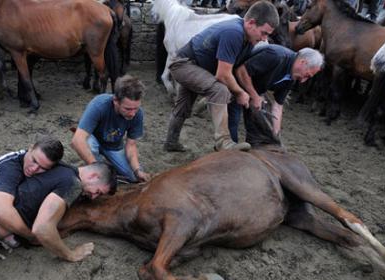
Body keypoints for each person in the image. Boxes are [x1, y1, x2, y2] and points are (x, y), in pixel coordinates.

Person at [163, 0, 279, 152]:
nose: (265, 39)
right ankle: (223, 142)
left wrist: (250, 93)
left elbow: (236, 69)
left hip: (195, 66)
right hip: (184, 64)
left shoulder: (248, 38)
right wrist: (240, 92)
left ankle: (171, 142)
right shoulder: (234, 33)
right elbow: (223, 74)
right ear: (251, 23)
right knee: (219, 90)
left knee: (183, 106)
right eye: (264, 33)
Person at [229, 45, 324, 140]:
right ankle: (230, 148)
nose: (303, 81)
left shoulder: (291, 77)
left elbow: (278, 106)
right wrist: (254, 96)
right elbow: (241, 71)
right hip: (231, 81)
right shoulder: (276, 56)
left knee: (256, 125)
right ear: (303, 62)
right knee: (233, 119)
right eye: (306, 75)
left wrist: (276, 135)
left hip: (253, 89)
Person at [71, 74, 151, 183]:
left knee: (133, 178)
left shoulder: (138, 114)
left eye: (135, 108)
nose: (132, 113)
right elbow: (77, 140)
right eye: (127, 109)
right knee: (90, 146)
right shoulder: (99, 104)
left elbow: (131, 145)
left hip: (113, 145)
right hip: (93, 139)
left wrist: (137, 170)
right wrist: (98, 169)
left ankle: (106, 165)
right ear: (115, 101)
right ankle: (94, 164)